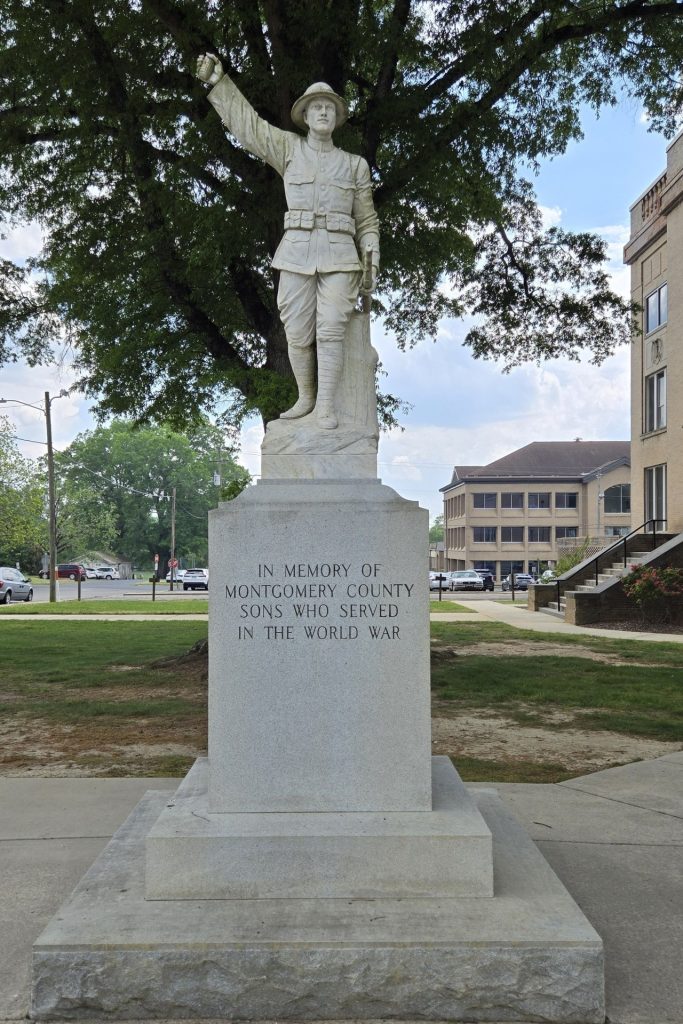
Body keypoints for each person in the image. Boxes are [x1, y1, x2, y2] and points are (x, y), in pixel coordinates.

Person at [196, 54, 380, 429]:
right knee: (296, 329)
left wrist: (372, 249)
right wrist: (220, 84)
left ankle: (326, 407)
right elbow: (250, 129)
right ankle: (306, 399)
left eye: (330, 107)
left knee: (330, 327)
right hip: (295, 252)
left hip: (341, 256)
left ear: (338, 117)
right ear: (306, 116)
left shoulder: (355, 165)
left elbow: (367, 219)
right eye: (317, 108)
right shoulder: (288, 149)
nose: (324, 113)